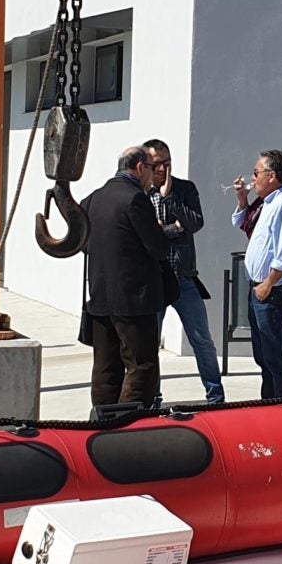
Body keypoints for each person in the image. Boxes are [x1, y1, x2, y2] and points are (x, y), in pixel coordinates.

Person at [78, 145, 170, 408]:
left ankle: (103, 421)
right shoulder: (135, 199)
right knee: (141, 364)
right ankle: (128, 423)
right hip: (134, 299)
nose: (154, 175)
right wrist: (162, 231)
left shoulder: (92, 199)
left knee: (106, 368)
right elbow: (157, 247)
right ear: (140, 167)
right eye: (152, 169)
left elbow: (84, 244)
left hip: (100, 297)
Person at [142, 138, 222, 403]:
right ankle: (153, 397)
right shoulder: (139, 193)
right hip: (153, 280)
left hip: (184, 277)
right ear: (146, 165)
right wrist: (173, 229)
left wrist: (170, 198)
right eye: (157, 164)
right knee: (149, 344)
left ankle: (215, 395)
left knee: (202, 340)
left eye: (167, 163)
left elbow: (196, 223)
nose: (163, 169)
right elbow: (145, 236)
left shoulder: (185, 189)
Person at [230, 148, 282, 399]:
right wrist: (242, 197)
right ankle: (270, 403)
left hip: (272, 290)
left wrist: (268, 283)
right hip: (260, 288)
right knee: (263, 355)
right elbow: (241, 222)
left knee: (274, 355)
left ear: (272, 176)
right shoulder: (268, 202)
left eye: (256, 173)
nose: (253, 179)